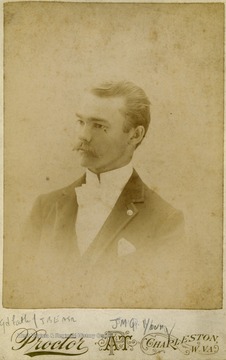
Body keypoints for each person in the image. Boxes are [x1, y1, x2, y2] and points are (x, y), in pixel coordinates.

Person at [5, 81, 188, 309]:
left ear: (135, 135)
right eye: (81, 122)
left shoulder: (165, 221)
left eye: (99, 126)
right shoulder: (45, 207)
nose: (83, 136)